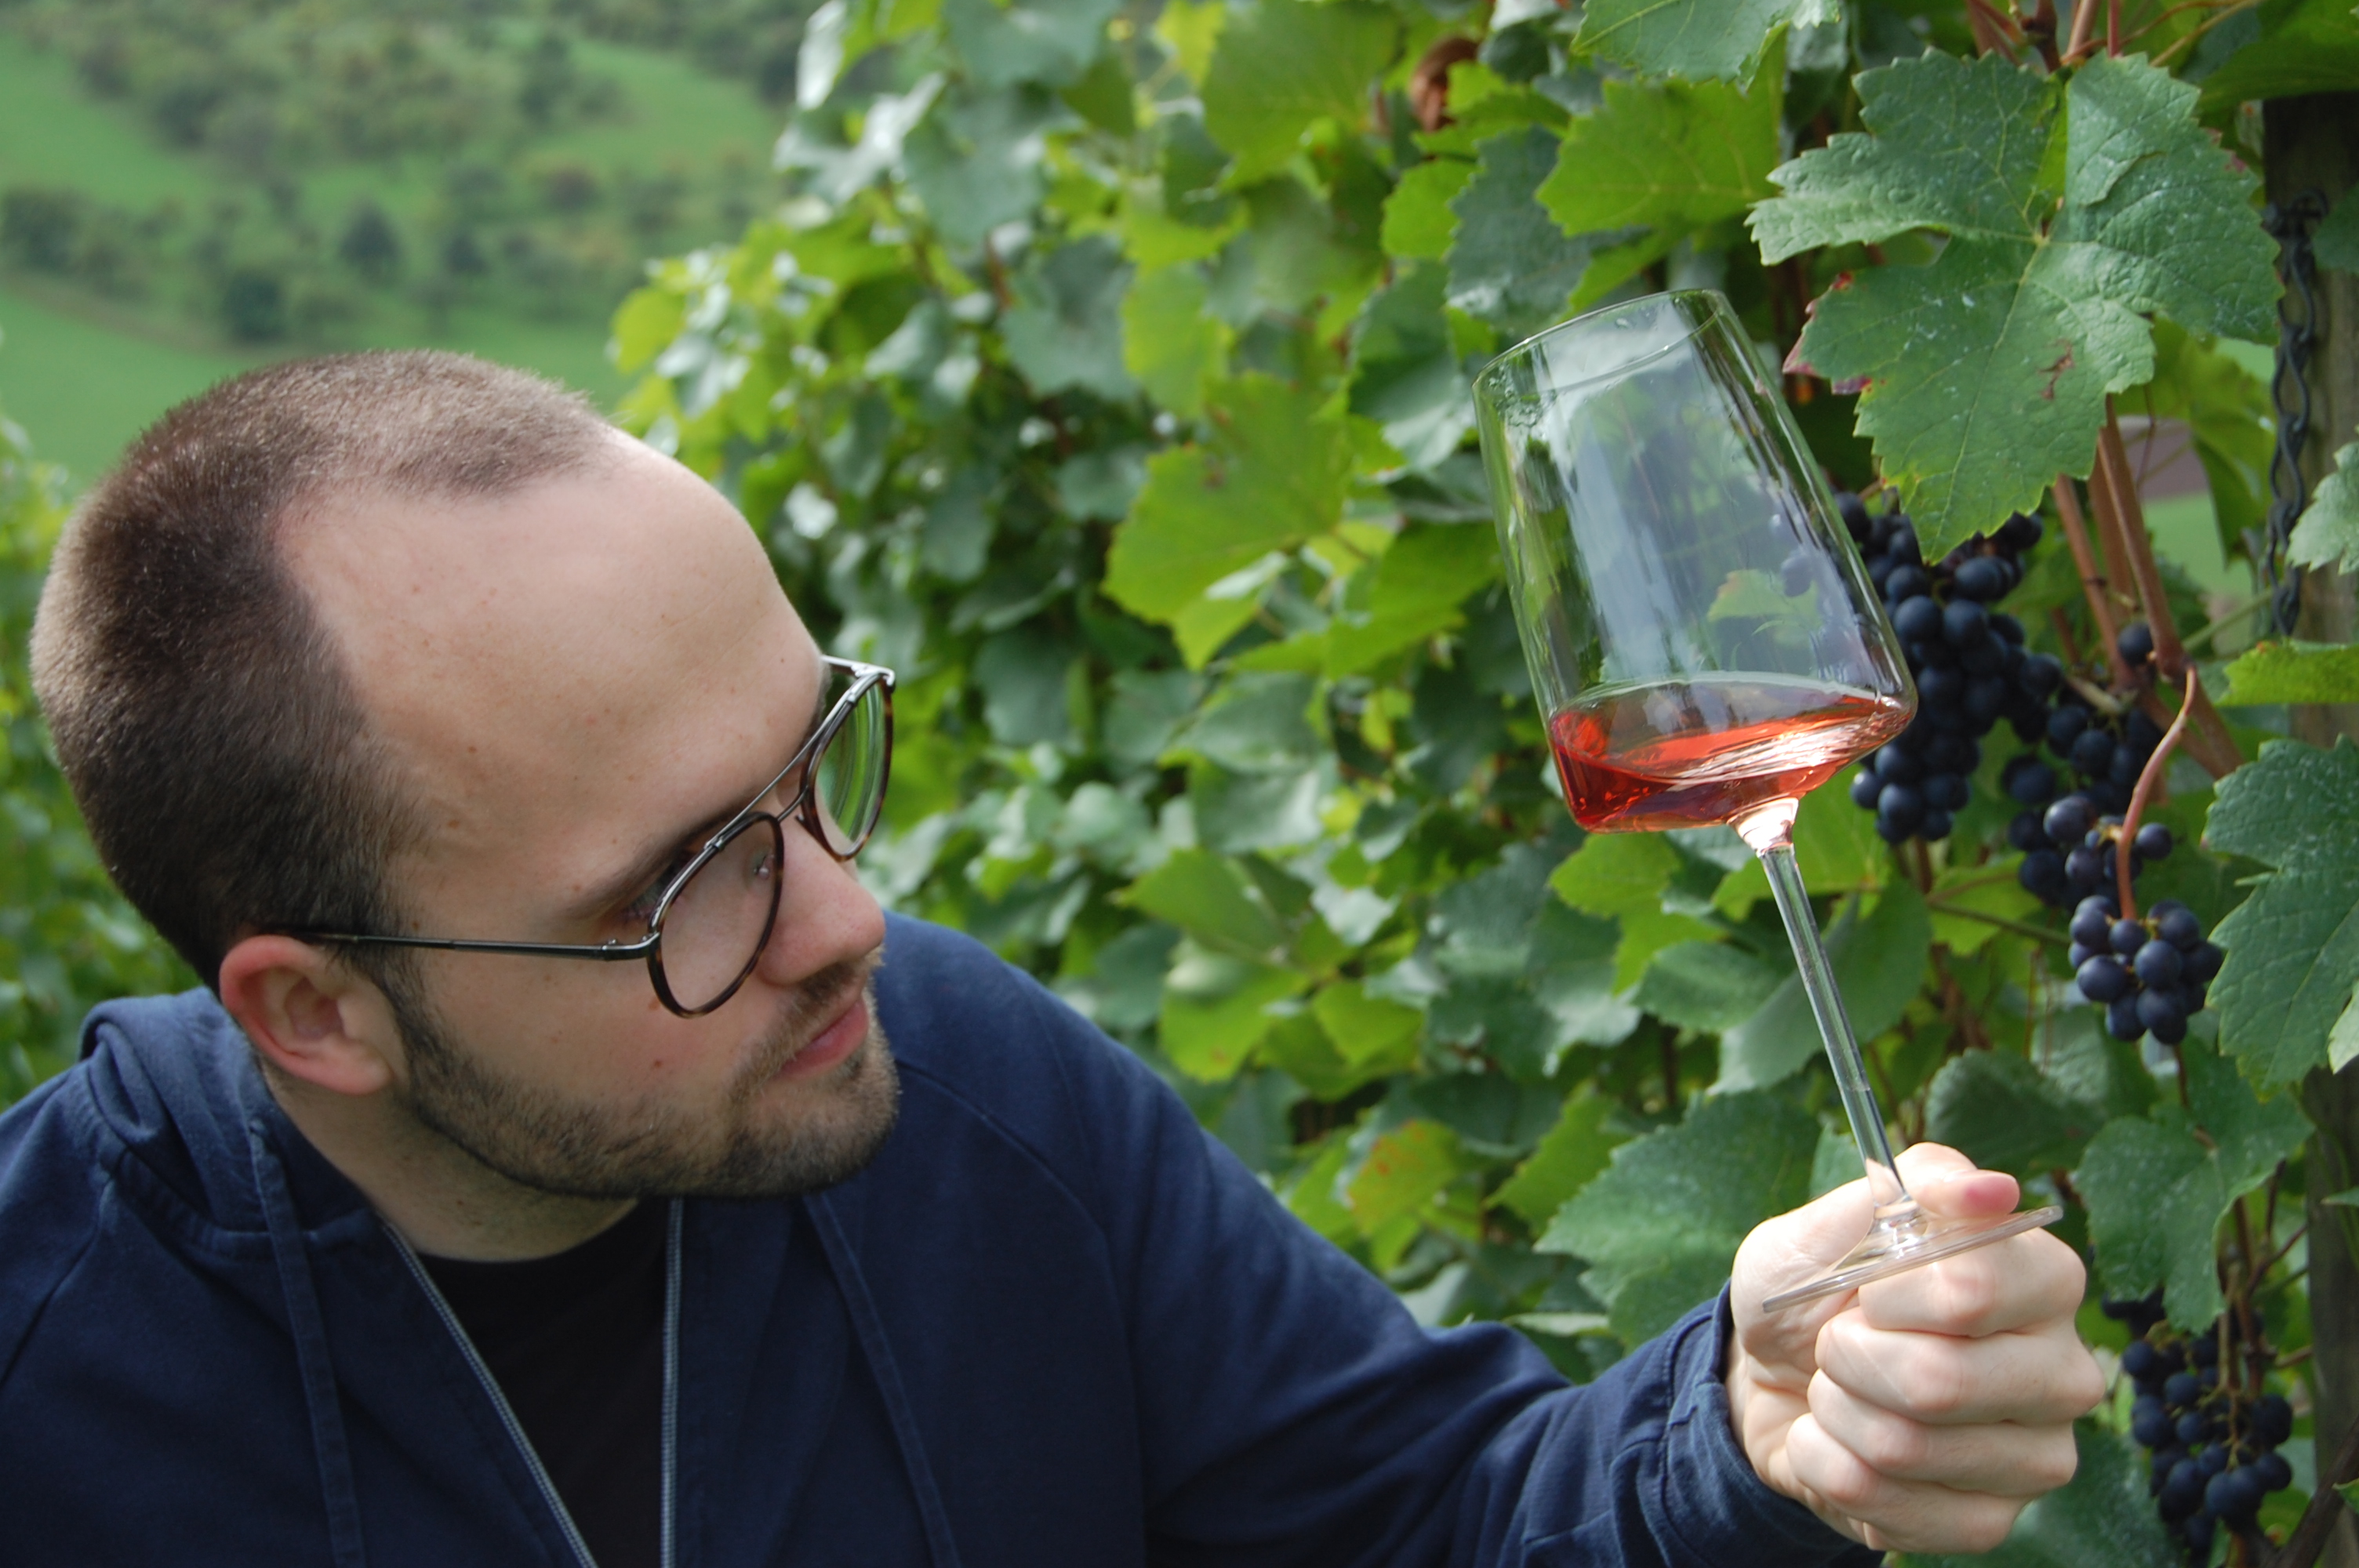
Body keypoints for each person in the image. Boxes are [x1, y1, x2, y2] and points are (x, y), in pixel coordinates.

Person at [3, 351, 2103, 1566]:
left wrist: (1740, 1432)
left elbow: (1424, 1521)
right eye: (686, 891)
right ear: (316, 1012)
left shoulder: (960, 1099)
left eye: (817, 762)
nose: (851, 917)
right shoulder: (53, 1384)